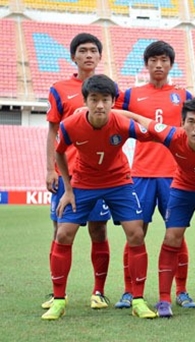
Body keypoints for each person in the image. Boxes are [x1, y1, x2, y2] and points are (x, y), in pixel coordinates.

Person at [42, 74, 156, 320]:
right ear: (86, 101)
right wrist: (69, 189)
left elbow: (152, 133)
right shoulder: (70, 124)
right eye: (94, 99)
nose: (100, 105)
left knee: (136, 233)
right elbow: (60, 153)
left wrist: (133, 116)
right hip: (83, 183)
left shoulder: (122, 123)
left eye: (106, 99)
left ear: (114, 101)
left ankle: (138, 299)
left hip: (119, 182)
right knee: (63, 233)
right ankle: (59, 300)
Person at [119, 96, 195, 319]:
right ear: (182, 124)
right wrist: (94, 111)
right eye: (191, 122)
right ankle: (164, 299)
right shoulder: (171, 135)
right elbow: (138, 118)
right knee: (172, 238)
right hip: (183, 189)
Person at [112, 40, 195, 310]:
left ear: (171, 64)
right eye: (153, 61)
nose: (158, 65)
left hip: (175, 176)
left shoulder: (184, 96)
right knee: (136, 233)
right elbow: (111, 114)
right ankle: (129, 291)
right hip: (141, 175)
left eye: (164, 60)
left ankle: (181, 291)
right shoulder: (131, 94)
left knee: (177, 234)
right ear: (146, 64)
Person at [44, 33, 111, 311]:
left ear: (99, 56)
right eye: (82, 50)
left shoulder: (109, 89)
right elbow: (52, 130)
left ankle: (99, 291)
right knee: (61, 230)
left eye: (93, 50)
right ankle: (58, 292)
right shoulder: (60, 89)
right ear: (73, 56)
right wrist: (50, 168)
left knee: (99, 230)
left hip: (100, 175)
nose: (88, 55)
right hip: (68, 175)